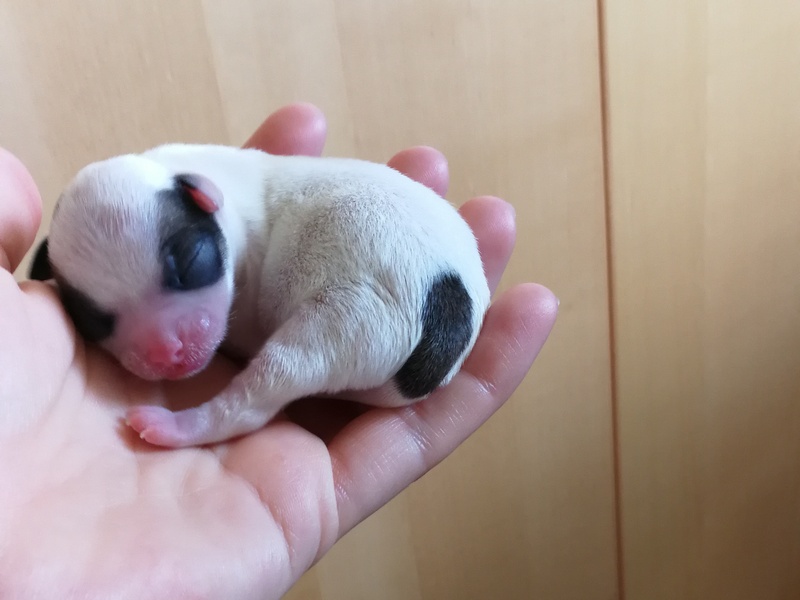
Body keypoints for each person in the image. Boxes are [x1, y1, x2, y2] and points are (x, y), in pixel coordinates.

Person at [0, 103, 558, 598]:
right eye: (103, 321)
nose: (164, 345)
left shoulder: (202, 189)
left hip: (411, 302)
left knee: (325, 316)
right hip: (406, 332)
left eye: (184, 269)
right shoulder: (180, 200)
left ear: (204, 198)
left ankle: (220, 416)